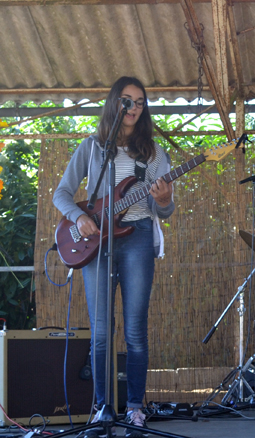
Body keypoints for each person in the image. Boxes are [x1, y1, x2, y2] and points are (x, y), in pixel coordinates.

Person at [53, 77, 174, 438]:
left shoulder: (151, 152)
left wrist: (164, 200)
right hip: (96, 243)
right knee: (102, 333)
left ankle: (135, 409)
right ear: (114, 103)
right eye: (127, 101)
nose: (134, 108)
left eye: (139, 102)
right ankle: (102, 408)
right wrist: (80, 217)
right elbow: (62, 193)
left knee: (135, 332)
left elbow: (163, 210)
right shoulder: (92, 147)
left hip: (136, 238)